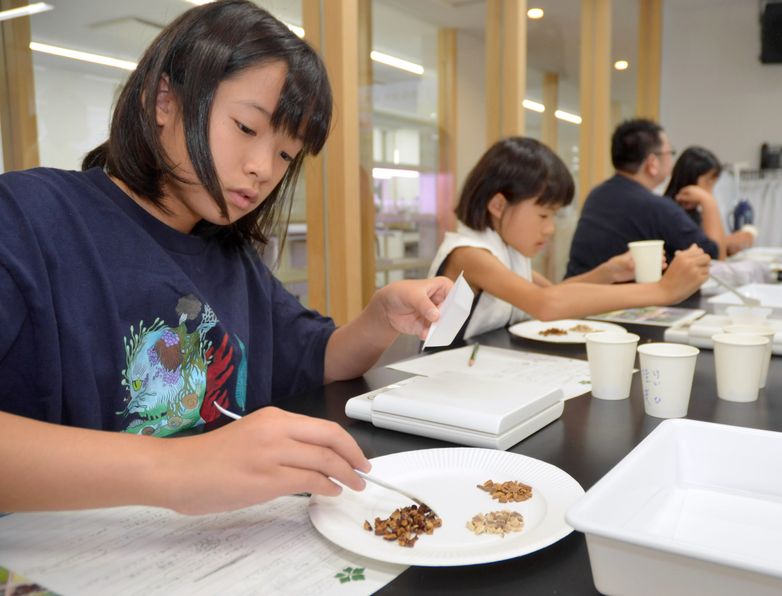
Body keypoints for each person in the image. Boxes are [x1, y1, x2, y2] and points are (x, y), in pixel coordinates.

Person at [0, 0, 452, 515]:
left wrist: (379, 317)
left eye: (286, 154)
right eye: (245, 128)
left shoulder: (232, 259)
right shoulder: (28, 218)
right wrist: (177, 468)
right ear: (162, 101)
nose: (263, 168)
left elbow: (317, 358)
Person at [427, 137, 711, 340]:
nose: (550, 229)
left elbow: (556, 292)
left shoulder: (505, 250)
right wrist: (662, 290)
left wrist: (606, 273)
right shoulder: (469, 255)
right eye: (543, 216)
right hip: (438, 379)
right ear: (499, 205)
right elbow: (546, 303)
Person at [565, 119, 720, 278]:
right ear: (652, 163)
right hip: (619, 301)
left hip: (578, 295)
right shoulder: (656, 207)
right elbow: (712, 255)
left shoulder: (596, 195)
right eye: (670, 153)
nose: (671, 161)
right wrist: (708, 201)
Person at [663, 146, 756, 257]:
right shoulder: (672, 213)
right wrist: (708, 201)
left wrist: (729, 246)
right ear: (690, 177)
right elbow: (716, 258)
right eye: (708, 182)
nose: (710, 191)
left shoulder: (695, 213)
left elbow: (715, 249)